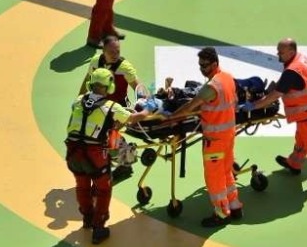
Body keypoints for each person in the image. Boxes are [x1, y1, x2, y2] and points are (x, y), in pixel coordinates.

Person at [65, 68, 150, 244]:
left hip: (73, 153)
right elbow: (134, 118)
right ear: (108, 86)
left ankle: (87, 218)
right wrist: (147, 110)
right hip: (94, 155)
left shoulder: (78, 101)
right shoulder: (111, 106)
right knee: (103, 189)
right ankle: (99, 228)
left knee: (82, 186)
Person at [241, 38, 307, 189]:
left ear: (291, 52)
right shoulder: (300, 60)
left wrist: (253, 106)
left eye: (281, 52)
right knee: (302, 135)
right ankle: (294, 163)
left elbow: (274, 96)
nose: (278, 54)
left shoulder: (291, 72)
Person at [165, 47, 243, 227]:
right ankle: (235, 205)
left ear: (215, 64)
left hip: (214, 140)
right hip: (228, 135)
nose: (202, 69)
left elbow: (190, 106)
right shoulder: (228, 78)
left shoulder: (211, 87)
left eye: (205, 66)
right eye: (200, 65)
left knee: (214, 178)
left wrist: (171, 118)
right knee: (226, 172)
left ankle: (222, 214)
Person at [79, 36, 145, 107]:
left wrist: (144, 104)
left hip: (120, 106)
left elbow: (138, 88)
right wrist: (79, 100)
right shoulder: (95, 61)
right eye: (111, 52)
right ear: (103, 51)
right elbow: (87, 79)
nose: (115, 55)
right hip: (98, 103)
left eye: (118, 51)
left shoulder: (125, 67)